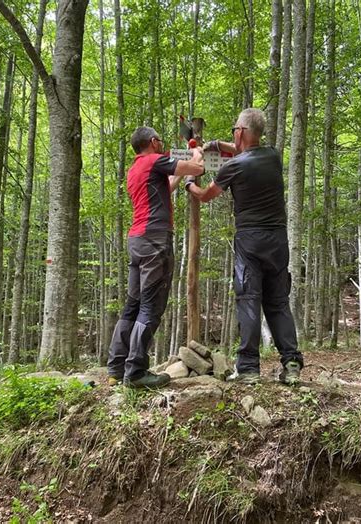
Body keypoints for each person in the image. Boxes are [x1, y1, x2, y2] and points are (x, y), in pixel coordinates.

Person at [185, 108, 304, 384]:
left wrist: (190, 183)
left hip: (250, 240)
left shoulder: (234, 166)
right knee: (277, 303)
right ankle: (292, 363)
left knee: (249, 300)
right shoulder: (273, 156)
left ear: (240, 132)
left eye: (234, 131)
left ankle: (249, 368)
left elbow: (205, 196)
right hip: (278, 240)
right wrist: (216, 145)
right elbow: (244, 149)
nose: (233, 136)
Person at [108, 126, 205, 389]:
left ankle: (117, 366)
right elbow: (196, 168)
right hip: (155, 241)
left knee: (133, 304)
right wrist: (196, 150)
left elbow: (165, 188)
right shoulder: (155, 160)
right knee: (151, 306)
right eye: (160, 141)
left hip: (137, 240)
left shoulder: (136, 169)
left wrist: (181, 179)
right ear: (153, 142)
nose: (162, 144)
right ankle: (136, 371)